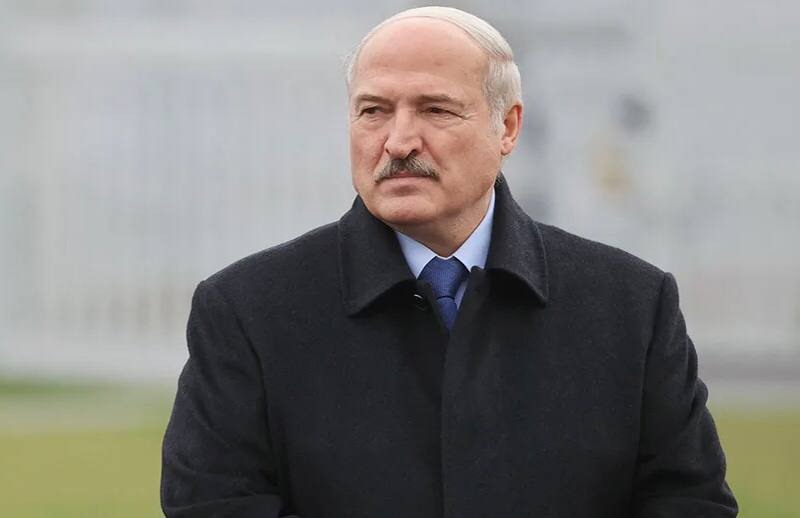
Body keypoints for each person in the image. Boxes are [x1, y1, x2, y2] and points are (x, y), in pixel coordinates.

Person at [161, 6, 737, 517]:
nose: (398, 141)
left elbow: (689, 500)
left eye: (435, 109)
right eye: (373, 110)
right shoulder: (247, 311)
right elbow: (214, 504)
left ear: (507, 126)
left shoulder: (631, 305)